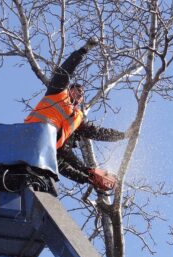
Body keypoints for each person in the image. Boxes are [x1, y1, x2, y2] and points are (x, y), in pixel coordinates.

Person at [24, 38, 134, 190]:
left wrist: (123, 135)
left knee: (56, 174)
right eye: (76, 89)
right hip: (29, 135)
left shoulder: (77, 119)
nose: (80, 93)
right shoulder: (57, 93)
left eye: (82, 93)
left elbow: (95, 133)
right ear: (69, 90)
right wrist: (83, 51)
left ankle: (91, 175)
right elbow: (65, 71)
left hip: (44, 150)